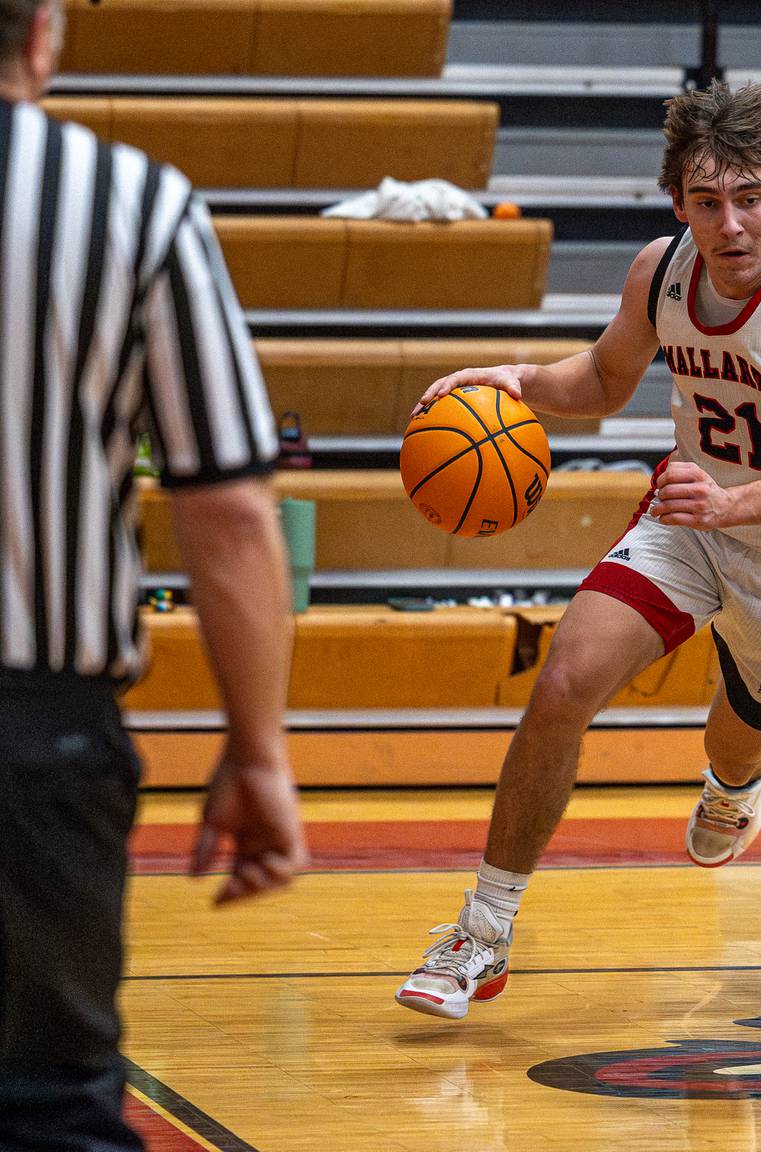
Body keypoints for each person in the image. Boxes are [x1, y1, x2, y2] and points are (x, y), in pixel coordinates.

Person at [394, 81, 761, 1021]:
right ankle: (482, 934)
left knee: (735, 745)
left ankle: (736, 786)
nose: (729, 223)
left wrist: (734, 504)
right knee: (564, 683)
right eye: (707, 201)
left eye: (749, 198)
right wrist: (518, 380)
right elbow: (607, 377)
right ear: (678, 203)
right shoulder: (662, 271)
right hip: (689, 522)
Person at [0, 2, 308, 1148]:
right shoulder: (135, 205)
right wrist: (260, 750)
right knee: (46, 1105)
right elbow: (226, 508)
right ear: (44, 32)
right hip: (34, 737)